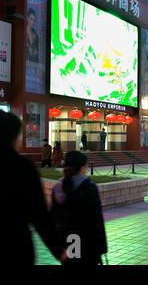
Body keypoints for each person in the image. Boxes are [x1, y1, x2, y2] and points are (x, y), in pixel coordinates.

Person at [0, 111, 65, 265]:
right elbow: (39, 214)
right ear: (13, 136)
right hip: (15, 247)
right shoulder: (22, 167)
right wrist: (58, 250)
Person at [51, 151, 108, 265]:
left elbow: (53, 219)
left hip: (69, 243)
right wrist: (102, 248)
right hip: (88, 244)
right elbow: (96, 220)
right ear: (82, 168)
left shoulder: (58, 187)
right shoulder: (89, 187)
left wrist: (57, 248)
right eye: (86, 165)